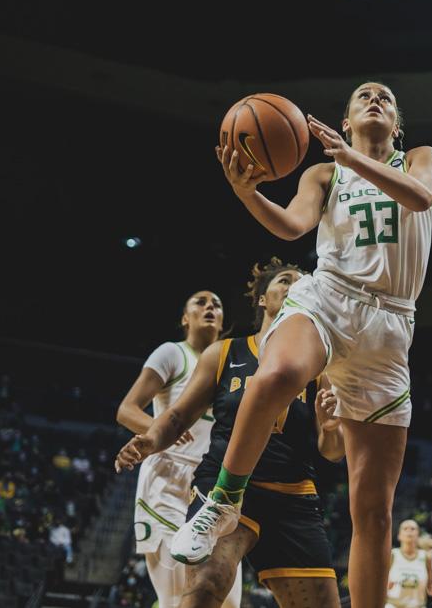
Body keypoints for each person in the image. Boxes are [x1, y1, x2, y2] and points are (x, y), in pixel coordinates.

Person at [174, 83, 432, 608]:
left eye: (385, 97)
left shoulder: (418, 159)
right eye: (363, 95)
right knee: (273, 377)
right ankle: (223, 500)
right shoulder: (324, 173)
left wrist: (353, 160)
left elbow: (421, 197)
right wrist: (248, 193)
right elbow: (294, 226)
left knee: (373, 510)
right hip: (330, 297)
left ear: (398, 123)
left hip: (389, 328)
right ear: (344, 121)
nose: (375, 99)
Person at [116, 260, 344, 608]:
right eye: (285, 281)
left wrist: (332, 428)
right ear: (263, 300)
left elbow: (332, 452)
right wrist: (151, 438)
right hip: (226, 486)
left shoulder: (319, 366)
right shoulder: (224, 353)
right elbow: (176, 416)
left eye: (302, 283)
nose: (295, 286)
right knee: (206, 588)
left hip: (293, 495)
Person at [115, 289, 237, 608]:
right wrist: (162, 429)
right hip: (168, 479)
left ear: (223, 321)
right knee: (174, 598)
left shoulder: (232, 363)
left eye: (217, 304)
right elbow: (126, 410)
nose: (210, 306)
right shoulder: (172, 353)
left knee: (227, 601)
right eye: (201, 302)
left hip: (213, 485)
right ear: (185, 319)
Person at [386, 519, 432, 608]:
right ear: (399, 536)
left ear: (418, 535)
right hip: (393, 605)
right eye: (405, 528)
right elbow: (381, 586)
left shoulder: (426, 557)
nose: (409, 531)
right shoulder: (392, 555)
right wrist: (386, 587)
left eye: (413, 529)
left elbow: (429, 589)